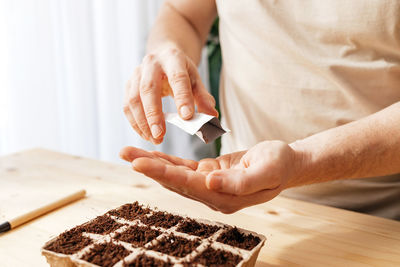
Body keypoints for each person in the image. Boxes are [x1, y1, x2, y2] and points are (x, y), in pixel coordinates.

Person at [120, 0, 400, 220]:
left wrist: (300, 162)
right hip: (238, 205)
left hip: (380, 222)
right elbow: (183, 13)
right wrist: (169, 49)